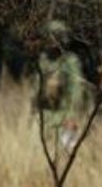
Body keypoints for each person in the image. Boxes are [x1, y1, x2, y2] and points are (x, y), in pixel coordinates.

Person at [35, 21, 91, 154]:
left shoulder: (70, 61)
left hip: (65, 115)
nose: (52, 40)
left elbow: (76, 90)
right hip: (45, 115)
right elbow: (37, 88)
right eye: (50, 36)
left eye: (56, 36)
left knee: (65, 153)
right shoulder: (43, 60)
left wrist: (72, 116)